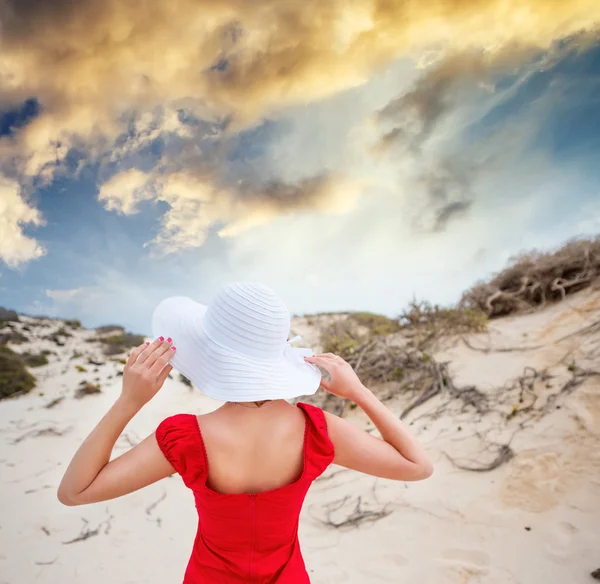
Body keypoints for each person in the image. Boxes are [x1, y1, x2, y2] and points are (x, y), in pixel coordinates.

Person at [57, 282, 433, 583]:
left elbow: (75, 492)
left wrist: (129, 401)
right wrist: (358, 391)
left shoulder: (184, 438)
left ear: (207, 354)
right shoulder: (317, 431)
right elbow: (417, 466)